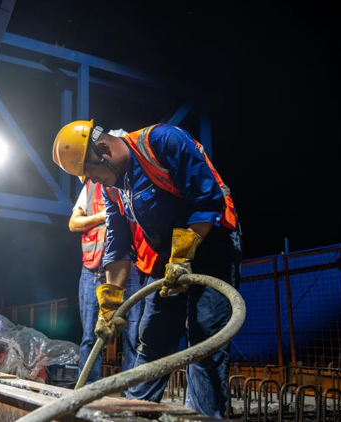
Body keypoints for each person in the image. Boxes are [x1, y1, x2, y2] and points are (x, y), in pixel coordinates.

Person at [52, 120, 241, 418]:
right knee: (153, 335)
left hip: (212, 242)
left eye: (91, 172)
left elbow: (207, 199)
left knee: (204, 338)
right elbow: (118, 245)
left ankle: (203, 416)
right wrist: (110, 303)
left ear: (103, 150)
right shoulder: (113, 189)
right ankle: (136, 414)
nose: (94, 181)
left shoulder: (162, 142)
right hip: (166, 258)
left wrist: (183, 255)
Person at [69, 179, 143, 388]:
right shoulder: (91, 186)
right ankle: (88, 389)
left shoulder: (134, 180)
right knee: (91, 334)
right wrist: (104, 216)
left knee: (134, 335)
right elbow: (73, 223)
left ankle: (132, 391)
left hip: (131, 267)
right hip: (94, 269)